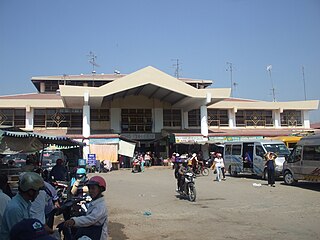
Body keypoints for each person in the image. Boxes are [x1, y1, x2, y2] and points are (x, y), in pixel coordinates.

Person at [0, 172, 45, 239]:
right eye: (37, 191)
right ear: (31, 192)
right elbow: (19, 235)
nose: (38, 194)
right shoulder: (15, 208)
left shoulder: (25, 204)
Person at [62, 176, 108, 240]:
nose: (91, 191)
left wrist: (74, 221)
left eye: (93, 188)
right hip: (91, 232)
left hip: (97, 236)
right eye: (89, 189)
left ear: (101, 189)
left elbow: (91, 219)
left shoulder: (100, 206)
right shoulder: (94, 202)